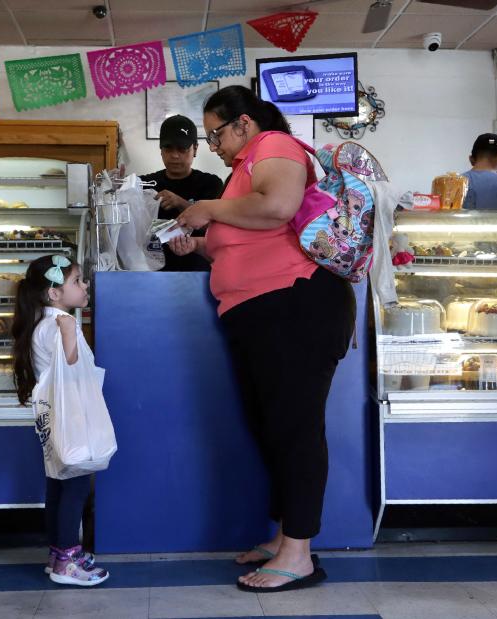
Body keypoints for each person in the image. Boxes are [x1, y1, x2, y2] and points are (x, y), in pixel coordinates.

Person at [171, 86, 355, 593]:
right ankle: (284, 539)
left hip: (295, 305)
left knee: (294, 427)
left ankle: (299, 553)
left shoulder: (274, 145)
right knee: (272, 426)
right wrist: (201, 243)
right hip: (262, 311)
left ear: (244, 124)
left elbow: (277, 206)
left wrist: (205, 205)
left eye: (215, 133)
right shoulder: (240, 172)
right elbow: (245, 239)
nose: (213, 145)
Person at [12, 255, 110, 587]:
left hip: (54, 415)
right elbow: (70, 368)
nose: (84, 286)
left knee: (58, 484)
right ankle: (67, 560)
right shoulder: (60, 323)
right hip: (71, 416)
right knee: (76, 486)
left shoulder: (41, 323)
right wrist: (71, 329)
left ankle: (58, 553)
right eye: (77, 281)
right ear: (55, 293)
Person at [141, 114, 224, 271]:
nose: (175, 155)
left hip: (199, 272)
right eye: (168, 148)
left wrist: (181, 203)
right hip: (153, 274)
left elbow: (217, 228)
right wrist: (118, 187)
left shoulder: (211, 184)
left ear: (195, 149)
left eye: (182, 149)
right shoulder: (145, 184)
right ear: (161, 150)